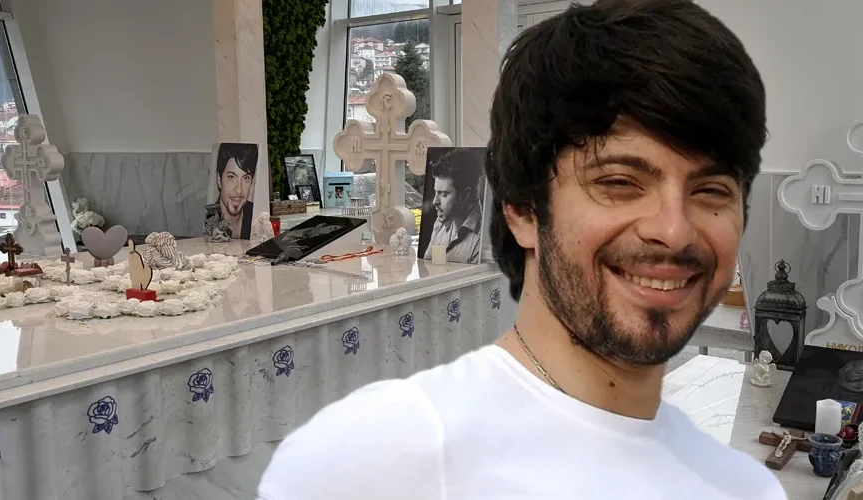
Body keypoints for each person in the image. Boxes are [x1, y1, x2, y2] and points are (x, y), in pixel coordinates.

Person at [257, 0, 783, 499]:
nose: (674, 231)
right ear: (524, 210)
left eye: (710, 190)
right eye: (620, 182)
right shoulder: (373, 470)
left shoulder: (739, 485)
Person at [422, 148, 483, 263]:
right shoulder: (440, 222)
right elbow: (427, 266)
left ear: (465, 195)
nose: (435, 201)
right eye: (436, 192)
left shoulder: (482, 240)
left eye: (444, 194)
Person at [204, 144, 256, 239]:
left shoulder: (256, 216)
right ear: (219, 180)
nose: (239, 190)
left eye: (246, 178)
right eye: (231, 177)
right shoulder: (209, 219)